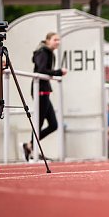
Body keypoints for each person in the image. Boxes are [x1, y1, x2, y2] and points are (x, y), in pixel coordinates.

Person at [22, 32, 68, 162]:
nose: (57, 42)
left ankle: (30, 146)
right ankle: (32, 149)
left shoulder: (49, 52)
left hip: (45, 90)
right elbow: (41, 70)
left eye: (58, 40)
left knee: (53, 124)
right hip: (40, 90)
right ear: (48, 40)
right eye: (55, 40)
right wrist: (58, 72)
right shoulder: (42, 52)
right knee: (39, 122)